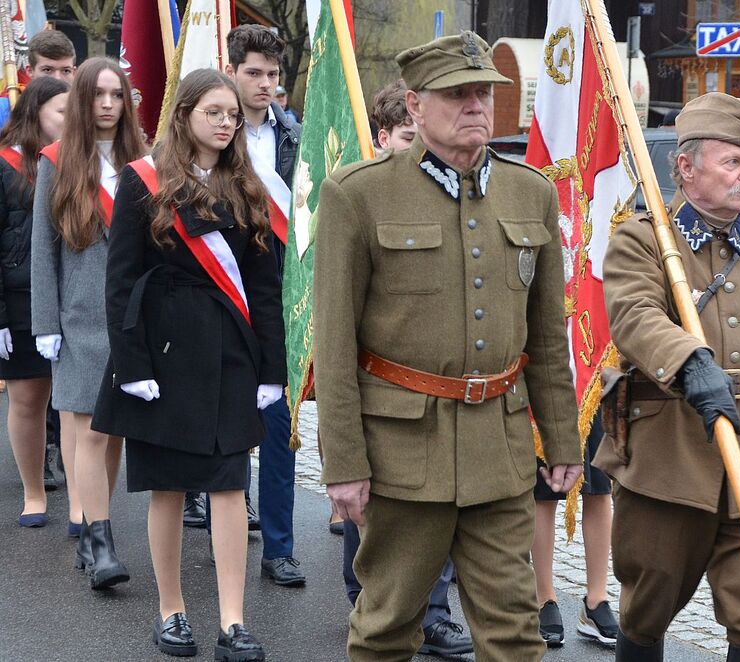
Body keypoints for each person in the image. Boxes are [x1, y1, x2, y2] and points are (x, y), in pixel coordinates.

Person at [313, 31, 583, 661]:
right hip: (402, 457)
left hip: (502, 451)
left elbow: (545, 336)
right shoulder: (358, 194)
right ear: (413, 106)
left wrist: (564, 441)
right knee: (385, 629)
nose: (475, 105)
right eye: (456, 94)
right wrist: (345, 464)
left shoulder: (531, 192)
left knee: (516, 634)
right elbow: (333, 342)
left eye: (483, 92)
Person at [594, 91, 740, 661]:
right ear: (686, 167)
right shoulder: (645, 240)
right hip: (669, 461)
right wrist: (689, 359)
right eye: (732, 163)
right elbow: (634, 317)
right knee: (647, 607)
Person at [91, 68, 284, 661]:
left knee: (229, 484)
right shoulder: (143, 181)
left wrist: (272, 368)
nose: (227, 124)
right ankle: (171, 611)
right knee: (169, 486)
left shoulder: (248, 186)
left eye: (233, 115)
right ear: (185, 115)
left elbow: (265, 285)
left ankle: (232, 621)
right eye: (214, 113)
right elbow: (120, 281)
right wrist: (132, 366)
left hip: (229, 351)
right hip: (163, 352)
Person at [336, 78, 474, 658]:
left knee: (440, 519)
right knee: (378, 536)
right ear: (385, 136)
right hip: (384, 401)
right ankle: (368, 600)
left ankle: (434, 612)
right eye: (405, 138)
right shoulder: (359, 196)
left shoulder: (455, 197)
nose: (415, 149)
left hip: (449, 406)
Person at [30, 57, 146, 589]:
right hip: (77, 318)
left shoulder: (143, 162)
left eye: (116, 95)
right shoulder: (56, 161)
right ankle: (98, 540)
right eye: (97, 95)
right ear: (81, 101)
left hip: (129, 319)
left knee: (115, 432)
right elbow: (42, 250)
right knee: (85, 431)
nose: (106, 104)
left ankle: (96, 529)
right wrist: (44, 322)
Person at [222, 23, 304, 587]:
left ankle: (279, 546)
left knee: (280, 423)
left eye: (273, 75)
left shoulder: (294, 135)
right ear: (231, 71)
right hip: (223, 293)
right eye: (253, 73)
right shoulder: (210, 132)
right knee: (225, 421)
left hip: (276, 295)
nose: (265, 85)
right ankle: (220, 513)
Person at [0, 76, 69, 527]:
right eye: (62, 111)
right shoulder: (6, 165)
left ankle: (86, 502)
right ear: (35, 112)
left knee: (75, 403)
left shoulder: (83, 161)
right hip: (21, 298)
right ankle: (33, 491)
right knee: (28, 398)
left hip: (74, 298)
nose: (71, 119)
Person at [26, 29, 76, 494]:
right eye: (48, 71)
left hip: (74, 294)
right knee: (32, 393)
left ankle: (64, 455)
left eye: (67, 71)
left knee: (67, 394)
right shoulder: (14, 149)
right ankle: (38, 463)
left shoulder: (82, 147)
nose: (60, 79)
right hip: (22, 289)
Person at [533, 411, 618, 647]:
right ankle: (544, 599)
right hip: (552, 384)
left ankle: (596, 600)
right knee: (544, 488)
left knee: (600, 486)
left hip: (595, 383)